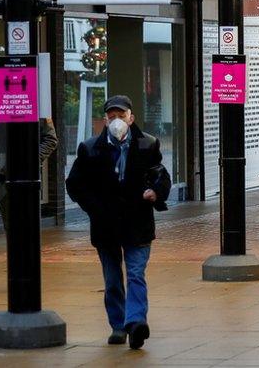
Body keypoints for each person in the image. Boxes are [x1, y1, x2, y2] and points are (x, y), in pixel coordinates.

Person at [66, 95, 171, 349]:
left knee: (135, 273)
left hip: (137, 222)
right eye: (111, 116)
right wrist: (96, 209)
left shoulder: (148, 144)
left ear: (131, 118)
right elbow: (75, 185)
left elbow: (160, 174)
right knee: (112, 279)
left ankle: (135, 323)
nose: (116, 121)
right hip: (106, 225)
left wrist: (155, 192)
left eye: (121, 116)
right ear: (105, 120)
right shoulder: (90, 148)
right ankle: (117, 325)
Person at [0, 104, 58, 231]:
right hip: (4, 176)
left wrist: (31, 160)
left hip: (29, 176)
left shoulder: (36, 105)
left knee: (29, 224)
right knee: (10, 225)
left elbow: (50, 139)